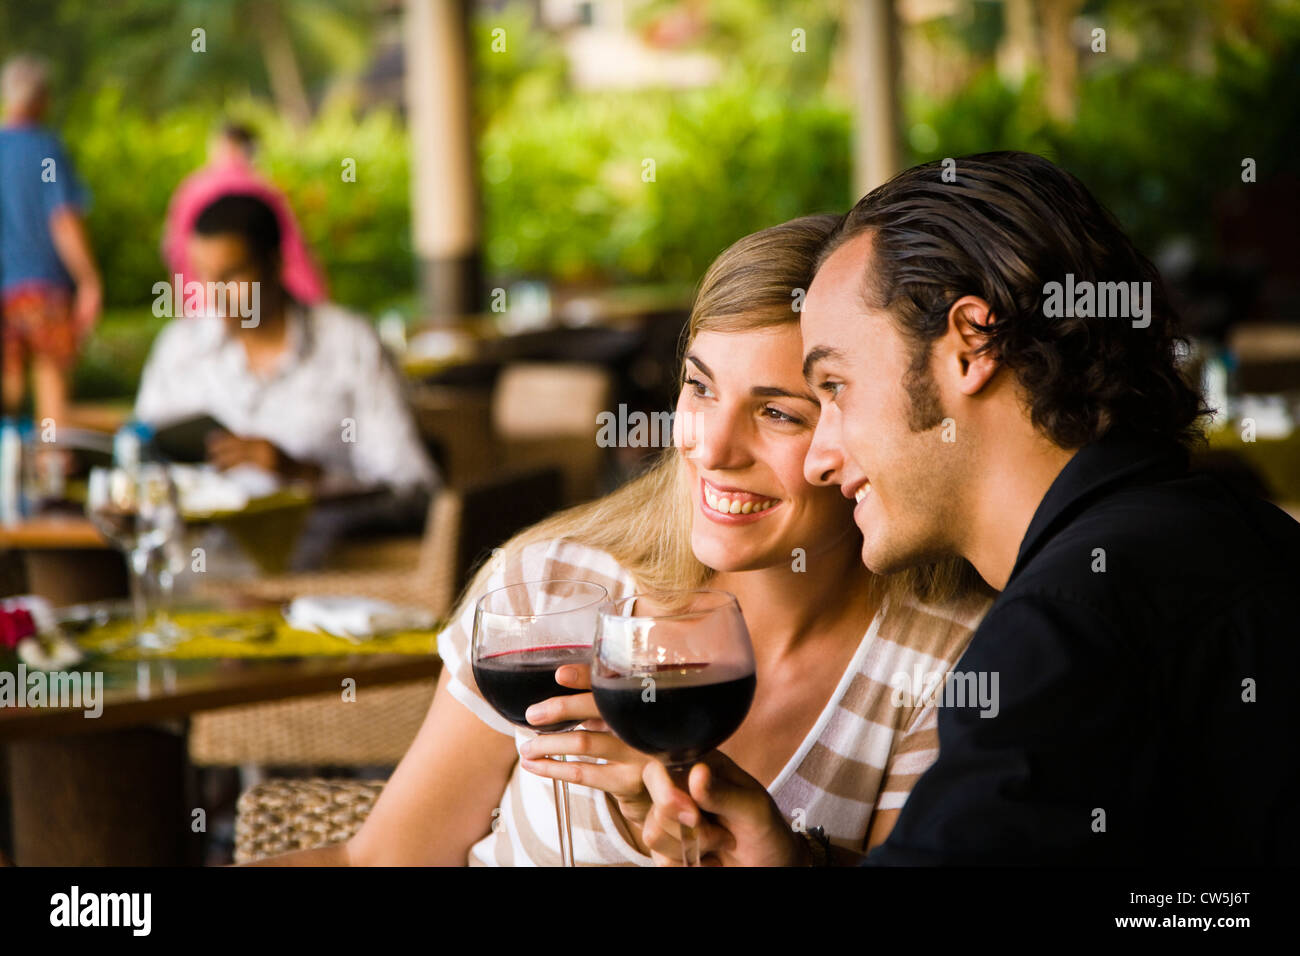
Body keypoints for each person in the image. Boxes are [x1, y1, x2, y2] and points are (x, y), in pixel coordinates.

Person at [246, 215, 991, 866]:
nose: (712, 446)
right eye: (700, 388)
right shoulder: (544, 592)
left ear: (856, 428)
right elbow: (377, 862)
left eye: (779, 414)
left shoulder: (944, 663)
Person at [637, 151, 1300, 866]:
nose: (823, 459)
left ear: (970, 345)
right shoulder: (1249, 532)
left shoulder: (1061, 635)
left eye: (835, 386)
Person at [135, 193, 436, 555]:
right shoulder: (178, 350)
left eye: (232, 275)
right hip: (198, 573)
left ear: (275, 263)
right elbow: (138, 466)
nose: (216, 295)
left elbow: (416, 493)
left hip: (325, 576)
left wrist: (304, 475)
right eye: (205, 277)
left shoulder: (350, 345)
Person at [0, 54, 101, 427]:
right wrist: (89, 280)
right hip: (44, 289)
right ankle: (49, 469)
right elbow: (63, 220)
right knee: (51, 389)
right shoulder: (46, 150)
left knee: (8, 391)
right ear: (42, 98)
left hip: (5, 288)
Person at [161, 120, 326, 308]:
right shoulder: (264, 188)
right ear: (250, 150)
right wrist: (314, 299)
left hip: (201, 303)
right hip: (261, 305)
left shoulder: (190, 189)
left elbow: (174, 250)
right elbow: (293, 251)